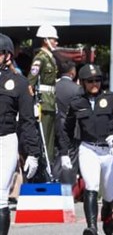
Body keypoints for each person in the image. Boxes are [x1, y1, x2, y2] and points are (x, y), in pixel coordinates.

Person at [59, 64, 113, 235]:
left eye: (97, 79)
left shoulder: (112, 98)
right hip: (88, 149)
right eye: (90, 81)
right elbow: (66, 129)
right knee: (91, 185)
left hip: (110, 151)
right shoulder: (76, 103)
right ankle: (92, 227)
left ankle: (107, 217)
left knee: (109, 195)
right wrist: (64, 153)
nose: (94, 83)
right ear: (82, 82)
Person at [0, 33, 40, 235]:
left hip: (5, 141)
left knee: (0, 196)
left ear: (6, 55)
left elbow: (27, 120)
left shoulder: (19, 83)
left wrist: (33, 153)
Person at [28, 24, 59, 169]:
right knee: (45, 139)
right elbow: (31, 83)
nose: (56, 42)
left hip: (50, 101)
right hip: (43, 102)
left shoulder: (50, 57)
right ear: (46, 40)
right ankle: (45, 168)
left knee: (50, 139)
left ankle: (49, 165)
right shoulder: (40, 58)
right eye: (54, 39)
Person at [54, 58, 80, 185]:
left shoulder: (53, 87)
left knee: (56, 156)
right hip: (71, 128)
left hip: (54, 127)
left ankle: (54, 182)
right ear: (72, 73)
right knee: (71, 159)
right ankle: (68, 189)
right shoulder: (77, 89)